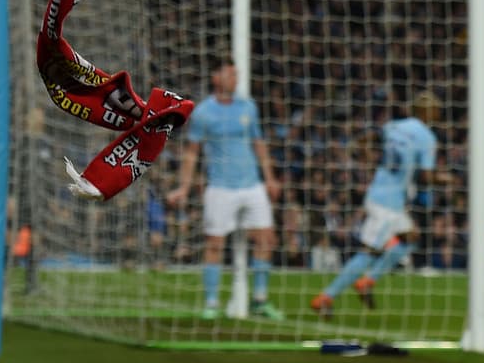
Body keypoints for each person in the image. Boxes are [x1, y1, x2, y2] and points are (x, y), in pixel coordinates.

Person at [166, 59, 284, 320]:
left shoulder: (248, 107)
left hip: (251, 184)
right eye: (231, 74)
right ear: (216, 77)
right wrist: (183, 188)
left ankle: (260, 300)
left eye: (237, 74)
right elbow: (192, 153)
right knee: (214, 244)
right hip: (220, 188)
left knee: (266, 239)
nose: (236, 79)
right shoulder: (204, 112)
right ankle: (211, 303)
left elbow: (259, 144)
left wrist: (270, 179)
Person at [311, 91, 442, 317]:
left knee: (410, 239)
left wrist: (362, 154)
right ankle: (326, 297)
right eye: (437, 110)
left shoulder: (393, 126)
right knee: (369, 253)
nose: (439, 114)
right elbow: (427, 176)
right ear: (427, 112)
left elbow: (367, 139)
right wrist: (449, 178)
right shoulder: (427, 137)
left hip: (383, 193)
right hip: (387, 204)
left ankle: (367, 282)